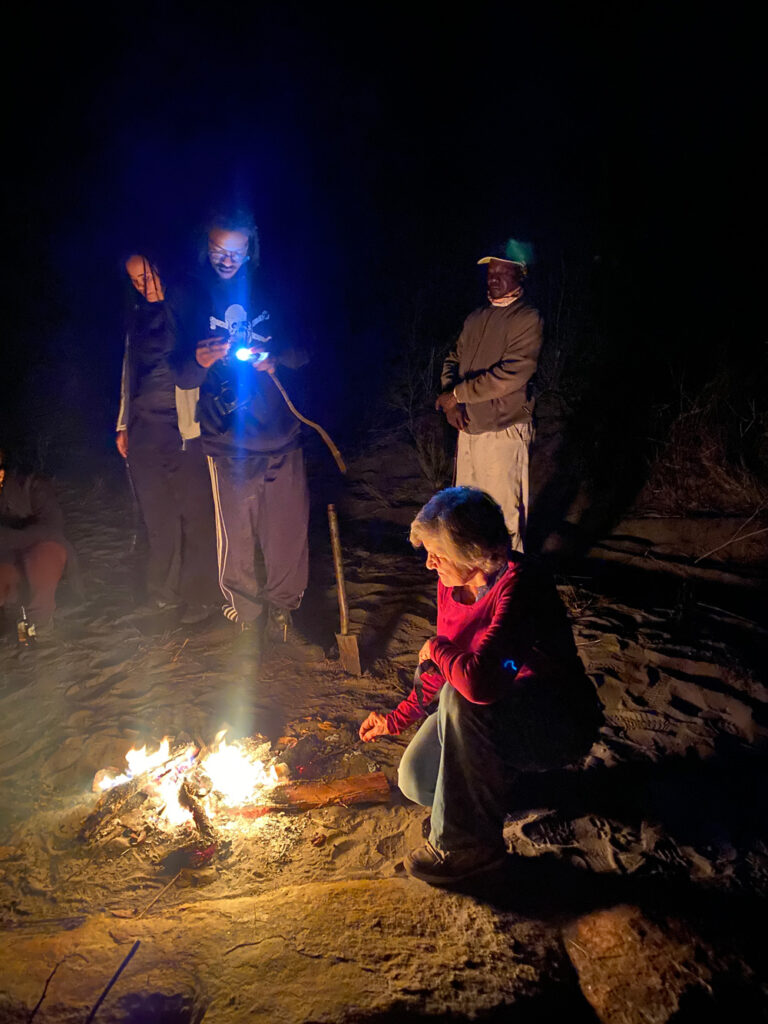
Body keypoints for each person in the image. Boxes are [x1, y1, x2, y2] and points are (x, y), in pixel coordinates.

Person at [359, 487, 602, 886]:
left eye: (437, 554)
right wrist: (396, 720)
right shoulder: (452, 582)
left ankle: (467, 849)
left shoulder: (522, 585)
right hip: (489, 710)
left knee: (463, 694)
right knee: (417, 781)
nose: (428, 564)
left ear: (473, 553)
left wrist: (436, 648)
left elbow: (479, 683)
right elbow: (444, 666)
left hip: (550, 718)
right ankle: (516, 786)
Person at [170, 210, 317, 657]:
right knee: (235, 536)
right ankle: (245, 621)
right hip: (226, 439)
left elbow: (306, 349)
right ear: (206, 248)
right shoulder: (189, 296)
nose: (226, 259)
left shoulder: (275, 289)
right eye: (218, 250)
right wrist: (199, 358)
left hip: (281, 430)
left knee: (287, 533)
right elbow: (180, 372)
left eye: (235, 250)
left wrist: (277, 358)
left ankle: (283, 614)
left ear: (250, 248)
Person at [116, 254, 219, 624]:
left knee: (195, 515)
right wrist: (123, 422)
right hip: (144, 428)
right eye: (134, 280)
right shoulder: (137, 318)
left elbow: (199, 367)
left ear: (162, 268)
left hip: (184, 427)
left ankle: (200, 595)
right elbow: (131, 372)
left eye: (145, 276)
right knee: (157, 516)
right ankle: (162, 596)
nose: (142, 285)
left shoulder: (187, 307)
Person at [435, 239, 542, 551]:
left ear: (520, 274)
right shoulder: (476, 318)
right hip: (468, 428)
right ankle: (476, 589)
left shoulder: (527, 318)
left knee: (504, 518)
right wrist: (451, 401)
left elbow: (512, 375)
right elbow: (452, 359)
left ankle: (509, 590)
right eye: (490, 272)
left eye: (502, 272)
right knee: (466, 515)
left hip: (503, 430)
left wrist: (458, 394)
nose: (493, 278)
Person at [0, 446, 70, 639]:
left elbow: (52, 528)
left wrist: (8, 537)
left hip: (39, 552)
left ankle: (41, 624)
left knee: (46, 553)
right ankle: (14, 624)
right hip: (7, 559)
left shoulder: (33, 484)